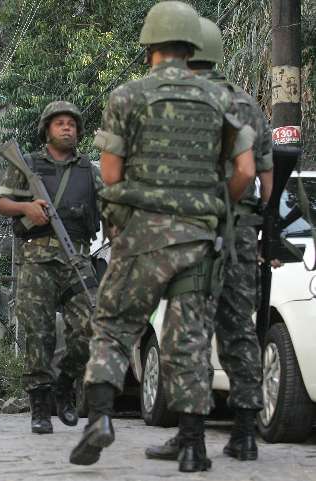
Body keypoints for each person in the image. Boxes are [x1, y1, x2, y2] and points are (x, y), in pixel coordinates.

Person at [69, 1, 256, 472]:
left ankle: (102, 417)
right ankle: (193, 444)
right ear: (191, 44)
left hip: (140, 240)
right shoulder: (222, 99)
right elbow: (246, 173)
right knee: (189, 336)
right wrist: (214, 205)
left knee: (113, 325)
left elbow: (110, 175)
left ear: (150, 44)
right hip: (198, 242)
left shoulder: (128, 97)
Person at [145, 16, 273, 463]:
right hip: (238, 232)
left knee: (187, 332)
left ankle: (191, 437)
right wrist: (242, 219)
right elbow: (264, 180)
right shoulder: (245, 105)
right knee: (239, 327)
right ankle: (244, 434)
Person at [0, 100, 100, 434]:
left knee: (91, 324)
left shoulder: (89, 170)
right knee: (40, 333)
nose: (67, 127)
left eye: (71, 123)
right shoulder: (28, 166)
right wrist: (27, 207)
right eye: (59, 123)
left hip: (76, 257)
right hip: (37, 259)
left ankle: (64, 383)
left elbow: (110, 207)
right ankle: (40, 406)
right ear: (47, 130)